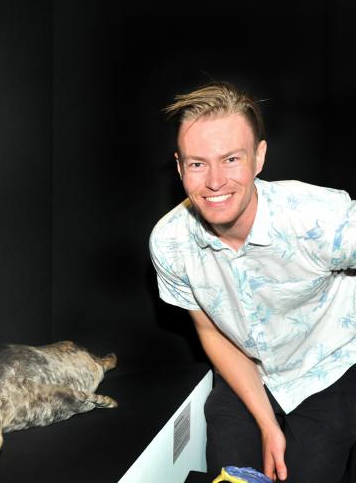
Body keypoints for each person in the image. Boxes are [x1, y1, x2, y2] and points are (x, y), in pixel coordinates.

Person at [149, 82, 356, 482]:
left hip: (329, 369)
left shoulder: (317, 218)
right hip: (249, 372)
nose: (214, 181)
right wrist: (266, 423)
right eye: (197, 164)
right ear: (179, 167)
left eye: (230, 159)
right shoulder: (169, 242)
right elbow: (210, 331)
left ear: (259, 156)